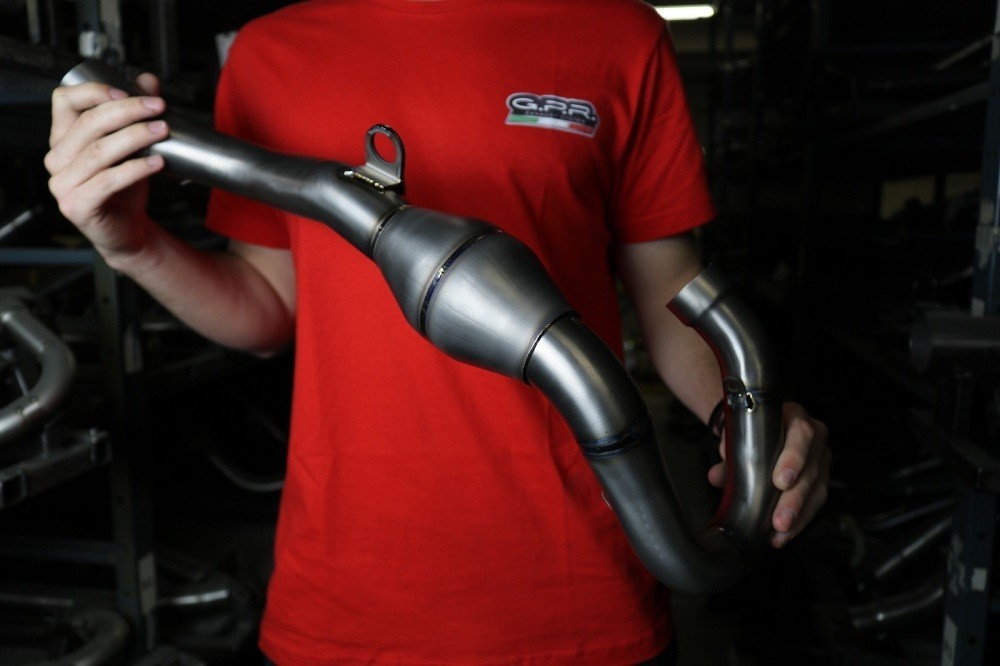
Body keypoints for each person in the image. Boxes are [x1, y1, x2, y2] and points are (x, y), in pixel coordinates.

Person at [45, 0, 831, 663]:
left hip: (578, 599)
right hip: (345, 602)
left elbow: (671, 293)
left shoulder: (619, 33)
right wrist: (133, 245)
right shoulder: (268, 52)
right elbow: (265, 311)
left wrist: (742, 415)